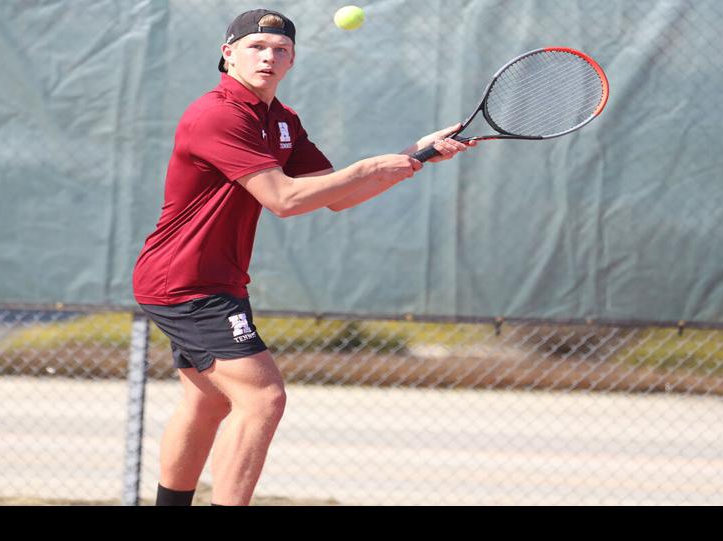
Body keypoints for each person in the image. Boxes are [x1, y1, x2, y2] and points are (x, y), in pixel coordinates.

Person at [132, 9, 476, 506]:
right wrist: (374, 164)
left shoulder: (282, 120)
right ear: (228, 54)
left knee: (206, 402)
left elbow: (333, 194)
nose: (269, 57)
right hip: (184, 281)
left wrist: (413, 156)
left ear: (293, 60)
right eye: (256, 47)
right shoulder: (217, 114)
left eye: (281, 50)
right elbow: (284, 199)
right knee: (263, 398)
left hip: (215, 278)